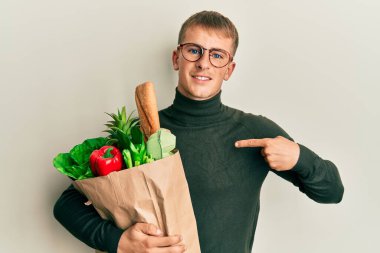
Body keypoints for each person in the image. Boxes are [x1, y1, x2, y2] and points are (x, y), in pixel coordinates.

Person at [54, 10, 344, 253]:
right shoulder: (139, 133)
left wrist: (299, 157)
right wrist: (118, 242)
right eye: (194, 50)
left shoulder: (254, 132)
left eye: (217, 55)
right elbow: (66, 204)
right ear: (176, 59)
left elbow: (332, 192)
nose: (204, 62)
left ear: (228, 70)